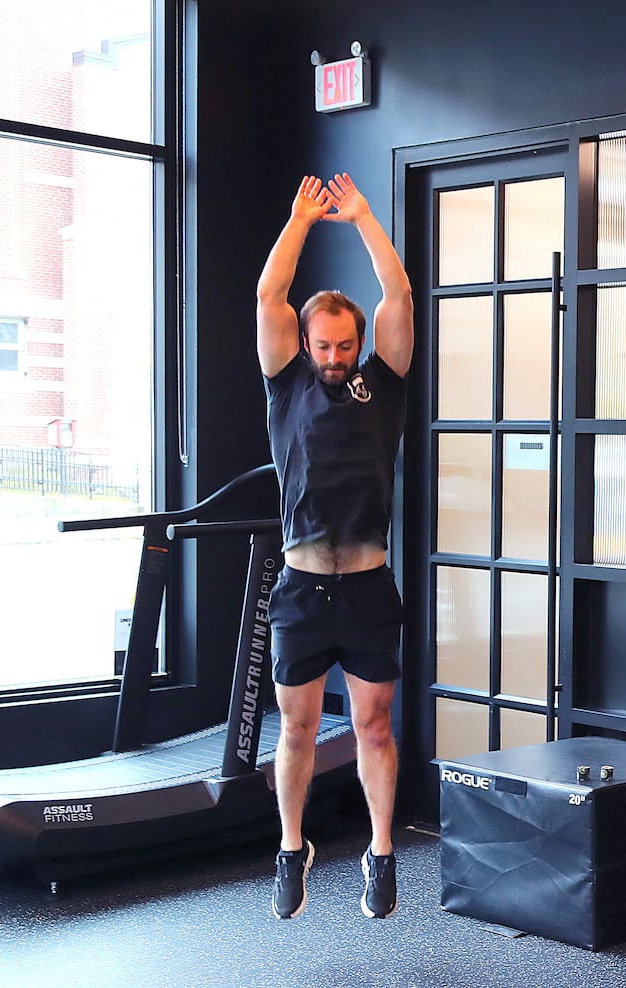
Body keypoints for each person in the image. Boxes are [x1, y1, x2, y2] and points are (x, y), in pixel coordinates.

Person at [256, 172, 414, 918]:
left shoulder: (384, 383)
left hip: (368, 585)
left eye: (344, 344)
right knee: (298, 727)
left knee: (374, 725)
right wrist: (297, 221)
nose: (334, 354)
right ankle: (292, 848)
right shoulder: (286, 383)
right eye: (324, 344)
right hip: (301, 586)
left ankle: (381, 855)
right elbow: (269, 299)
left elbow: (400, 297)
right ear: (307, 343)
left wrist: (361, 220)